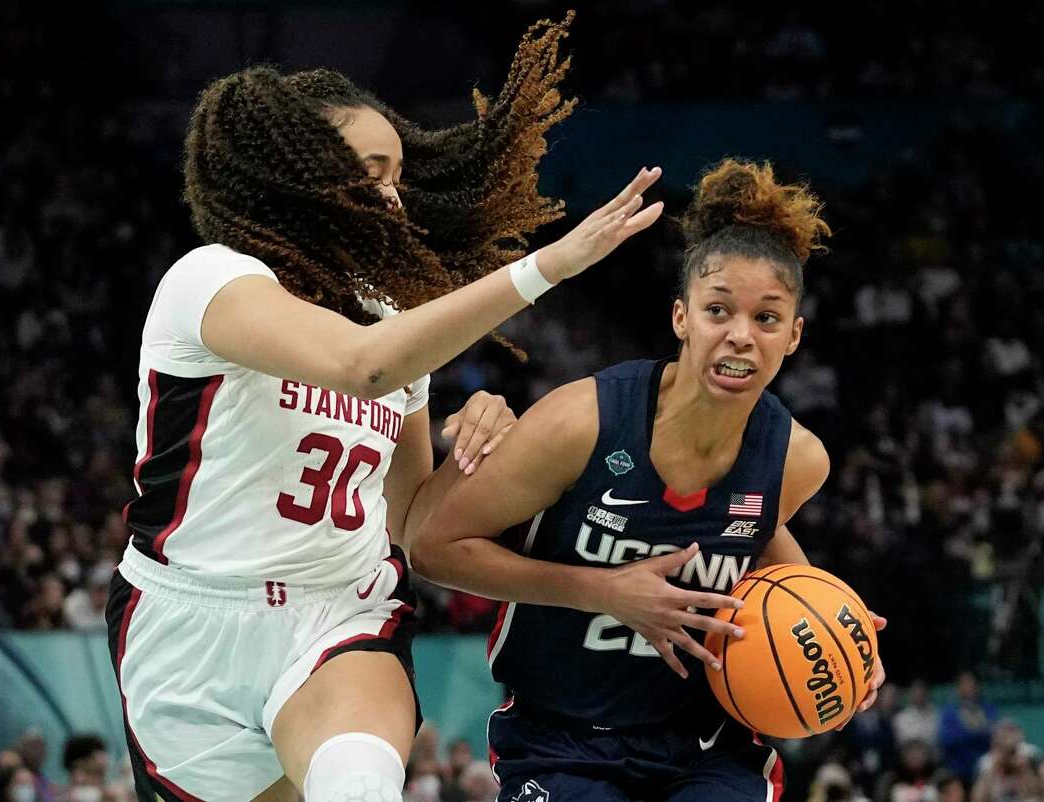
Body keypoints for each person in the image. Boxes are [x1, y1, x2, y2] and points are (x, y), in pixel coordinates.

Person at [106, 14, 666, 802]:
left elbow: (412, 525)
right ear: (292, 172)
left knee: (360, 785)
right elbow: (359, 366)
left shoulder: (388, 318)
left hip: (339, 616)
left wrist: (493, 442)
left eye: (397, 173)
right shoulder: (211, 280)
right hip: (185, 626)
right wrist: (549, 266)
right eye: (371, 170)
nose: (393, 195)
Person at [411, 158, 886, 801]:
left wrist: (838, 622)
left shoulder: (798, 460)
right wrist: (604, 591)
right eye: (718, 310)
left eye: (767, 319)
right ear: (681, 318)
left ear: (794, 336)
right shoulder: (580, 422)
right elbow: (436, 550)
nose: (741, 336)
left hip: (705, 744)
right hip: (563, 739)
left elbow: (754, 535)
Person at [939, 671, 998, 784]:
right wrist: (977, 732)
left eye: (971, 683)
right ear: (958, 688)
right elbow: (947, 740)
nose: (968, 687)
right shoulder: (949, 712)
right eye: (964, 684)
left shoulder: (989, 709)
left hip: (985, 770)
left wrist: (966, 732)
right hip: (959, 770)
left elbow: (994, 736)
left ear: (978, 686)